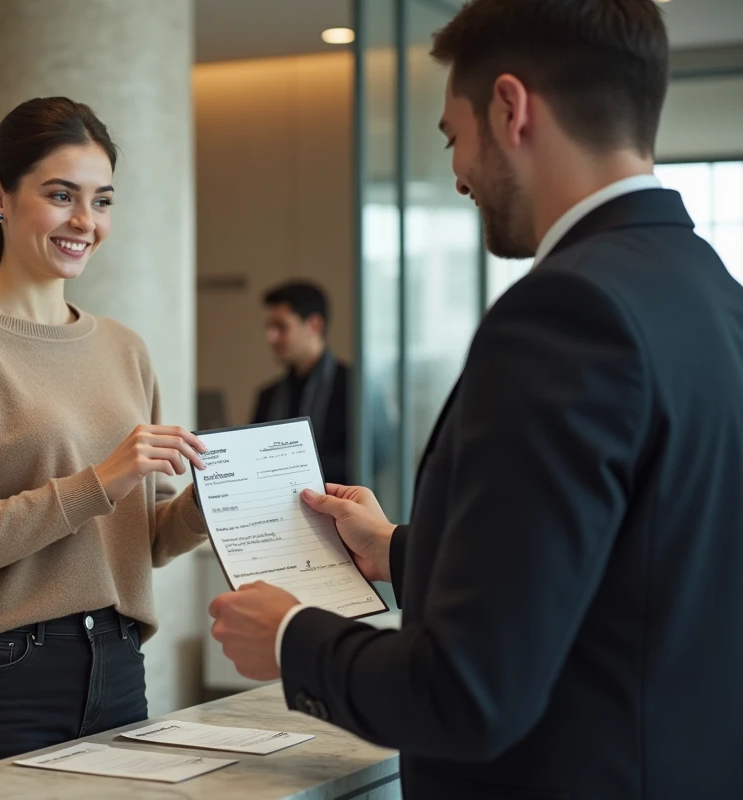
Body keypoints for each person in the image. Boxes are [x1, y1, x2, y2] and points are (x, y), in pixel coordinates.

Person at [208, 1, 743, 798]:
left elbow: (467, 693)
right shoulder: (716, 292)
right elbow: (631, 562)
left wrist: (290, 638)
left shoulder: (565, 313)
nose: (458, 175)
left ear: (510, 107)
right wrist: (395, 550)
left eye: (451, 136)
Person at [0, 96, 209, 769]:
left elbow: (140, 540)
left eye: (102, 201)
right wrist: (97, 483)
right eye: (62, 196)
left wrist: (205, 509)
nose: (85, 222)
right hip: (5, 677)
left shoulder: (125, 349)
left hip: (120, 667)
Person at [251, 281, 352, 484]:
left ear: (314, 325)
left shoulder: (353, 388)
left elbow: (374, 458)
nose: (271, 337)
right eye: (270, 327)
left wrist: (292, 466)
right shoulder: (268, 395)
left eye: (281, 327)